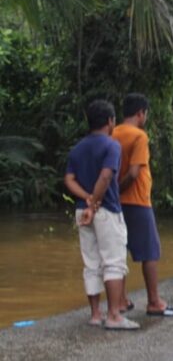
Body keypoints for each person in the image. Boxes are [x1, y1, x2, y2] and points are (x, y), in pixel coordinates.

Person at [64, 99, 138, 330]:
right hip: (105, 210)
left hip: (81, 210)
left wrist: (86, 200)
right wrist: (94, 203)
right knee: (114, 262)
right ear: (110, 121)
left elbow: (68, 180)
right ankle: (114, 315)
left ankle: (96, 314)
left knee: (92, 263)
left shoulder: (77, 148)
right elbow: (106, 177)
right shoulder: (111, 145)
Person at [112, 93, 173, 318]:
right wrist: (120, 189)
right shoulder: (139, 136)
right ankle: (154, 302)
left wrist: (111, 192)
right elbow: (133, 172)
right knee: (150, 252)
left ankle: (120, 300)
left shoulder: (112, 133)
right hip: (138, 201)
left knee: (119, 252)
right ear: (141, 113)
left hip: (116, 203)